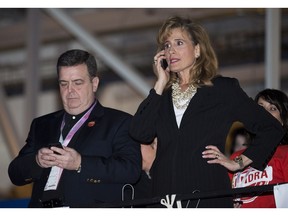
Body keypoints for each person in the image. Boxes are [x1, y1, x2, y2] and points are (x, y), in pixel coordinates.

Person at [129, 16, 284, 208]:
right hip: (164, 197)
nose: (171, 51)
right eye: (167, 45)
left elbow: (270, 128)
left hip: (207, 194)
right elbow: (139, 132)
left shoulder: (223, 89)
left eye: (179, 43)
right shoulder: (162, 96)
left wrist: (239, 163)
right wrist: (160, 82)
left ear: (197, 50)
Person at [8, 49, 142, 208]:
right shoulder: (42, 124)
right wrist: (36, 161)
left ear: (94, 84)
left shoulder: (119, 122)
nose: (70, 91)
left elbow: (130, 170)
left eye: (78, 83)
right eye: (64, 84)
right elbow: (15, 173)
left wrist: (80, 163)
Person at [229, 89, 288, 208]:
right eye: (260, 108)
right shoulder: (236, 157)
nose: (264, 113)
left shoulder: (285, 152)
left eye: (272, 108)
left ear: (283, 119)